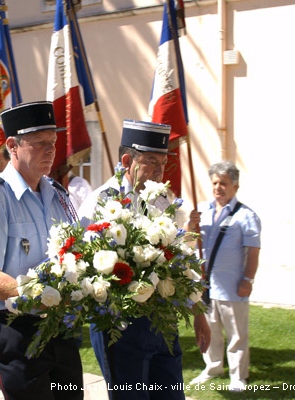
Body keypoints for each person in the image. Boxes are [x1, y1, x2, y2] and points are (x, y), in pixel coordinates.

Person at [78, 119, 209, 400]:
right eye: (151, 161)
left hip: (162, 320)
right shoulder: (101, 203)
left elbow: (180, 262)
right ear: (127, 160)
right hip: (120, 325)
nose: (160, 171)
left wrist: (198, 313)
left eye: (163, 162)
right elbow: (84, 266)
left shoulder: (162, 201)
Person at [0, 101, 83, 400]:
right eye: (40, 143)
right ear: (12, 145)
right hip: (16, 328)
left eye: (53, 142)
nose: (50, 150)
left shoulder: (58, 195)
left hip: (61, 325)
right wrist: (36, 297)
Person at [190, 160, 261, 392]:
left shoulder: (246, 216)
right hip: (206, 286)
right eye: (215, 183)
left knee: (236, 334)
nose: (218, 187)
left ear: (235, 186)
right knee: (209, 329)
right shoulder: (203, 211)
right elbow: (191, 240)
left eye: (224, 183)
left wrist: (248, 280)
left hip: (232, 285)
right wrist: (191, 225)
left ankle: (238, 376)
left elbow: (253, 251)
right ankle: (212, 367)